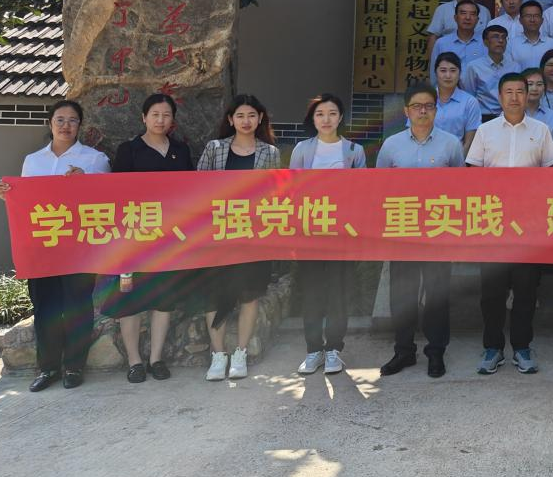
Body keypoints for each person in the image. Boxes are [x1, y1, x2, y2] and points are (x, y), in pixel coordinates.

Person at [0, 99, 110, 391]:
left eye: (72, 120)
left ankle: (74, 367)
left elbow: (110, 199)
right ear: (50, 123)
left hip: (79, 248)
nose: (65, 126)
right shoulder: (33, 161)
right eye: (60, 119)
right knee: (45, 308)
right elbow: (25, 202)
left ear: (80, 125)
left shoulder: (95, 159)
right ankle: (48, 368)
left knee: (77, 307)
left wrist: (86, 182)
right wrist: (5, 192)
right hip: (42, 247)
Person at [99, 93, 195, 384]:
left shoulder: (181, 150)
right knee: (131, 300)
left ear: (172, 119)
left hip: (169, 239)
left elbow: (191, 190)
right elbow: (116, 193)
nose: (160, 120)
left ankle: (156, 358)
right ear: (144, 117)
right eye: (155, 114)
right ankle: (135, 361)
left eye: (166, 115)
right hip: (134, 239)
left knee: (163, 300)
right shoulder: (129, 150)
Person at [467, 73, 553, 375]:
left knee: (526, 290)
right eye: (509, 91)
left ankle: (522, 347)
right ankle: (492, 348)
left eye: (520, 91)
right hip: (492, 223)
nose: (515, 97)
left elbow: (550, 175)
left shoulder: (541, 130)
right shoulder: (485, 130)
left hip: (528, 225)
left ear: (528, 95)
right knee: (491, 292)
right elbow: (473, 173)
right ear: (499, 96)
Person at [378, 83, 465, 379]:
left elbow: (461, 188)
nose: (423, 111)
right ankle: (403, 350)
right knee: (402, 294)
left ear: (436, 110)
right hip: (402, 229)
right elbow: (378, 187)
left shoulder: (451, 144)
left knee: (437, 294)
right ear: (406, 111)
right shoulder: (391, 145)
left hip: (439, 230)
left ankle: (436, 351)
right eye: (417, 106)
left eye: (428, 106)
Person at [197, 94, 281, 382]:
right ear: (231, 120)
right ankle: (218, 354)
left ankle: (240, 353)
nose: (246, 121)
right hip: (217, 235)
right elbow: (197, 186)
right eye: (240, 116)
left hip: (253, 236)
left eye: (252, 115)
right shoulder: (214, 148)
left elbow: (275, 193)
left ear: (260, 119)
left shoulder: (270, 153)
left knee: (249, 294)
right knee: (214, 295)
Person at [288, 94, 366, 376]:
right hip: (309, 234)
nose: (326, 119)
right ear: (313, 118)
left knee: (338, 292)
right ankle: (313, 350)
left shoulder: (354, 150)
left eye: (332, 113)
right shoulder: (302, 150)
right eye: (320, 114)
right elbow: (292, 190)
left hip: (342, 234)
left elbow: (363, 190)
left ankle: (334, 349)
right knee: (312, 293)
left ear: (340, 117)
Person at [424, 0, 492, 63]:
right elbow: (433, 37)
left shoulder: (484, 11)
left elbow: (489, 38)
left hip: (477, 62)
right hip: (449, 63)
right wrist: (433, 64)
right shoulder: (442, 9)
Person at [462, 23, 516, 121]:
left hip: (509, 116)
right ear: (485, 42)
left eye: (503, 37)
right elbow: (469, 95)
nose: (500, 41)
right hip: (483, 117)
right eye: (495, 37)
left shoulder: (515, 67)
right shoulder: (474, 67)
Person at [432, 51, 481, 153]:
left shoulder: (470, 102)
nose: (448, 75)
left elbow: (469, 143)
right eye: (443, 70)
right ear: (435, 73)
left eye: (453, 70)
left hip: (455, 157)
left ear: (459, 74)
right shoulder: (425, 99)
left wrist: (458, 160)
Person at [430, 0, 486, 72]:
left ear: (477, 20)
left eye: (472, 14)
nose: (468, 17)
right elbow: (434, 72)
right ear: (455, 18)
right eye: (463, 13)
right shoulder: (441, 43)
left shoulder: (486, 44)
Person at [510, 0, 553, 70]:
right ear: (520, 20)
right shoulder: (511, 44)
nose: (532, 20)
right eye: (528, 16)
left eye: (536, 16)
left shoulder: (552, 44)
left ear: (542, 20)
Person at [522, 67, 553, 142]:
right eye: (530, 84)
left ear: (544, 88)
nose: (534, 88)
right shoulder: (510, 114)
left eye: (539, 84)